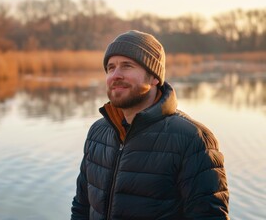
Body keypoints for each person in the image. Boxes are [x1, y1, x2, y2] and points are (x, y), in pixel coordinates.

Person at [71, 30, 229, 219]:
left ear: (154, 77)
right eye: (111, 68)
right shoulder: (98, 131)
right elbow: (82, 207)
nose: (116, 75)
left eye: (127, 66)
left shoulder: (193, 139)